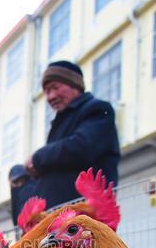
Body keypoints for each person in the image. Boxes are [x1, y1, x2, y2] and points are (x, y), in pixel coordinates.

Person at [23, 61, 120, 212]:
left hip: (83, 213)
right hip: (60, 214)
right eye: (47, 91)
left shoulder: (98, 110)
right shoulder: (60, 122)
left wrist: (37, 158)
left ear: (75, 85)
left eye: (55, 87)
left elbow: (81, 147)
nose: (51, 96)